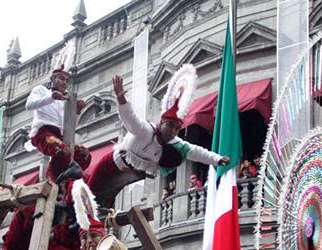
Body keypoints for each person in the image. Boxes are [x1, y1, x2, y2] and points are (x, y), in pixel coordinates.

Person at [84, 74, 229, 208]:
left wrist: (217, 159)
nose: (173, 131)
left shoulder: (176, 144)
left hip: (128, 174)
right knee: (89, 191)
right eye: (170, 126)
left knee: (105, 202)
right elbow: (130, 118)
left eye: (177, 129)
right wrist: (121, 99)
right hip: (111, 164)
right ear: (161, 123)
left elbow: (197, 152)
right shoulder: (145, 130)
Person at [26, 66, 90, 185]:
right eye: (61, 79)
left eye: (66, 80)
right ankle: (53, 179)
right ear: (53, 79)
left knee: (84, 154)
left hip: (61, 138)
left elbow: (70, 127)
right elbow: (29, 105)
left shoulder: (66, 100)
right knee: (62, 150)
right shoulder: (41, 90)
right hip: (42, 133)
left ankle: (65, 181)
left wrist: (77, 111)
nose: (64, 83)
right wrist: (51, 97)